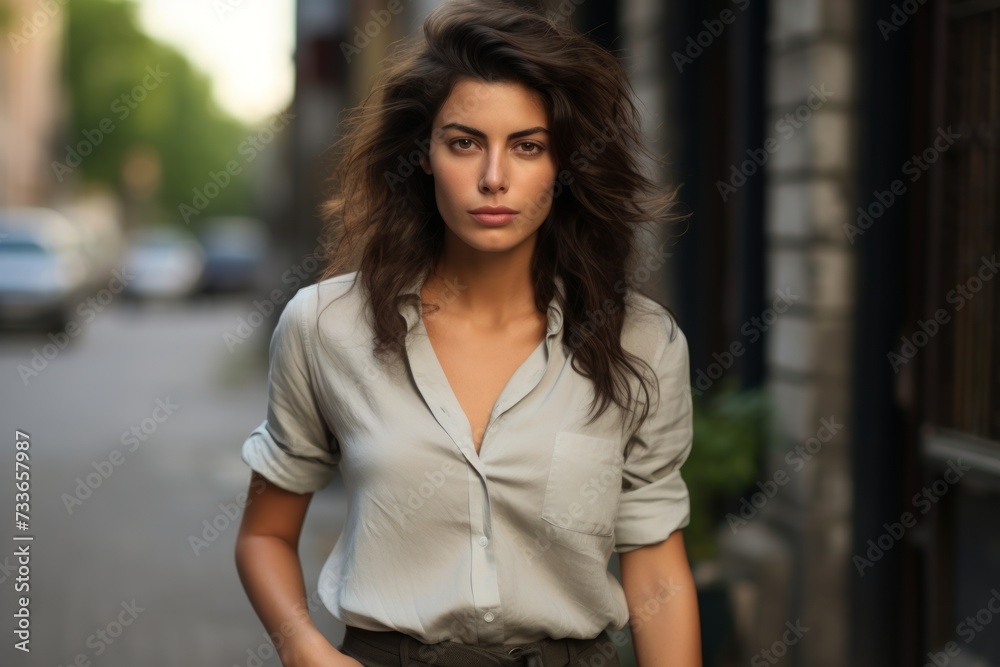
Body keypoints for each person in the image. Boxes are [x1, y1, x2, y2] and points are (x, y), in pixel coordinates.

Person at [234, 2, 702, 666]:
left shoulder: (641, 345)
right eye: (464, 142)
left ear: (564, 163)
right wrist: (302, 645)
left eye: (528, 146)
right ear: (423, 154)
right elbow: (264, 534)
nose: (493, 178)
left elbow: (655, 568)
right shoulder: (324, 327)